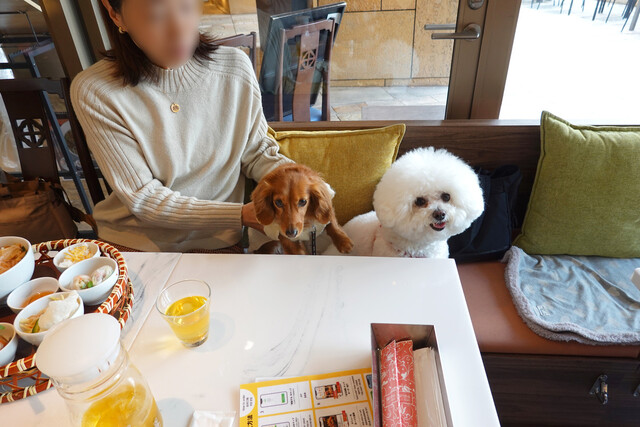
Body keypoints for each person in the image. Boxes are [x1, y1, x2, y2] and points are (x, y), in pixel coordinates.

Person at [71, 0, 291, 252]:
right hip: (136, 244)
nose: (179, 31)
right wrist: (240, 215)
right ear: (115, 14)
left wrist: (300, 182)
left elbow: (257, 152)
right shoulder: (95, 90)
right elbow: (143, 197)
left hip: (216, 243)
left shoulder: (234, 67)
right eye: (156, 15)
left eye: (187, 8)